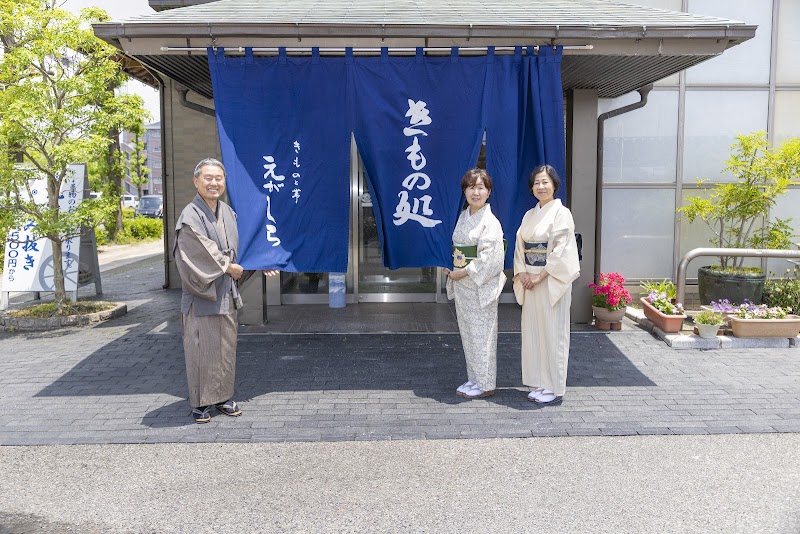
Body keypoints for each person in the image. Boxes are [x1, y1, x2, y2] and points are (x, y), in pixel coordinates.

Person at [173, 158, 278, 423]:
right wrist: (228, 267)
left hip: (226, 296)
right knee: (201, 351)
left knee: (225, 350)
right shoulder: (190, 217)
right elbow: (198, 252)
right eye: (208, 178)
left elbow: (245, 246)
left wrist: (259, 261)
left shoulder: (228, 212)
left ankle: (222, 397)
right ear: (196, 181)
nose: (214, 183)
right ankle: (200, 403)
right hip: (202, 297)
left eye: (218, 178)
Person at [513, 164, 580, 406]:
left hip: (551, 280)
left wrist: (539, 276)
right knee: (533, 332)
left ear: (554, 185)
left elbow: (561, 249)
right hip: (529, 280)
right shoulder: (529, 215)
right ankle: (539, 382)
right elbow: (520, 246)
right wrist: (522, 273)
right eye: (536, 183)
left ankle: (553, 386)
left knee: (553, 333)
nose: (541, 186)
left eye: (545, 182)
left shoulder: (562, 213)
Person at [444, 168, 507, 399]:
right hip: (463, 286)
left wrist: (463, 272)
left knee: (483, 335)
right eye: (471, 187)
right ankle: (474, 378)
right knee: (469, 334)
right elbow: (456, 249)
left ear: (489, 191)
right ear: (465, 191)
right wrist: (450, 266)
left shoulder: (490, 222)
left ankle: (485, 383)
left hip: (480, 287)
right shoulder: (463, 216)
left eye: (481, 187)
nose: (476, 192)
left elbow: (490, 258)